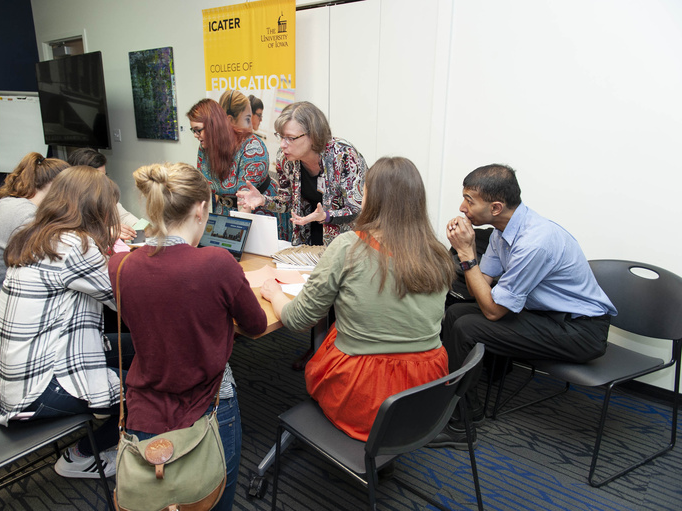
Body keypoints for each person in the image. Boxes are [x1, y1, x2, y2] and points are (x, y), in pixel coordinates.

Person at [109, 162, 267, 511]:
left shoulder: (120, 267)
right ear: (200, 209)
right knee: (211, 500)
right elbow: (256, 325)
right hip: (210, 406)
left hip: (144, 410)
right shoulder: (217, 263)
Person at [261, 157, 454, 441]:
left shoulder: (348, 246)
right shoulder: (437, 253)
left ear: (370, 198)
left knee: (332, 332)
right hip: (426, 396)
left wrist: (275, 294)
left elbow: (298, 319)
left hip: (366, 397)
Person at [429, 164, 617, 448]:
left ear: (495, 207)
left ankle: (460, 427)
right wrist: (467, 254)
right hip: (545, 317)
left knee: (468, 327)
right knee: (455, 313)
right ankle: (464, 407)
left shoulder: (534, 242)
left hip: (581, 331)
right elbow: (481, 285)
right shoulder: (501, 232)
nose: (462, 208)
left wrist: (467, 253)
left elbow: (492, 310)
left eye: (469, 200)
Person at [0, 166, 127, 479]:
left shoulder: (37, 235)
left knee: (134, 348)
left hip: (15, 378)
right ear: (97, 210)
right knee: (153, 390)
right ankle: (81, 456)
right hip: (37, 390)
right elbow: (125, 301)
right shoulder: (76, 246)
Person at [236, 101, 367, 246]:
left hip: (345, 244)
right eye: (281, 137)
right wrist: (263, 200)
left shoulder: (345, 156)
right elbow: (286, 202)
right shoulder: (285, 159)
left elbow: (358, 209)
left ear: (313, 136)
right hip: (308, 240)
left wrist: (325, 216)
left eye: (290, 138)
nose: (283, 144)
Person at [187, 98, 289, 240]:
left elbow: (245, 202)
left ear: (213, 126)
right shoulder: (205, 147)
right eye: (193, 130)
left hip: (258, 212)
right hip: (225, 211)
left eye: (198, 130)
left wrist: (235, 242)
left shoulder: (251, 148)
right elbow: (203, 189)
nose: (195, 135)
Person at [0, 153, 68, 296]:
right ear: (56, 185)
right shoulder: (28, 215)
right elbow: (54, 264)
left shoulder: (7, 203)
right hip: (8, 295)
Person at [67, 147, 139, 240]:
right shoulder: (65, 200)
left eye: (104, 176)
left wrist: (142, 227)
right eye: (97, 177)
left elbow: (122, 216)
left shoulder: (103, 192)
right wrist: (105, 231)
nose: (104, 181)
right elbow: (72, 235)